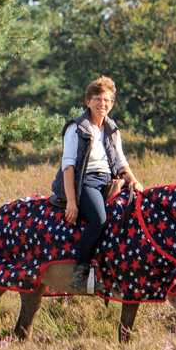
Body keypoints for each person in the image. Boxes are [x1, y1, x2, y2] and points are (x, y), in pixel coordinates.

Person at [52, 76, 143, 294]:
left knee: (131, 214)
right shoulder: (76, 128)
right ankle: (80, 276)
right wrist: (72, 201)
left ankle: (116, 270)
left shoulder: (112, 129)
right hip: (86, 182)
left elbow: (121, 162)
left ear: (112, 104)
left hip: (110, 182)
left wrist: (134, 181)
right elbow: (68, 167)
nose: (103, 104)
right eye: (98, 99)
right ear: (88, 102)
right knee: (99, 218)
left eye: (107, 100)